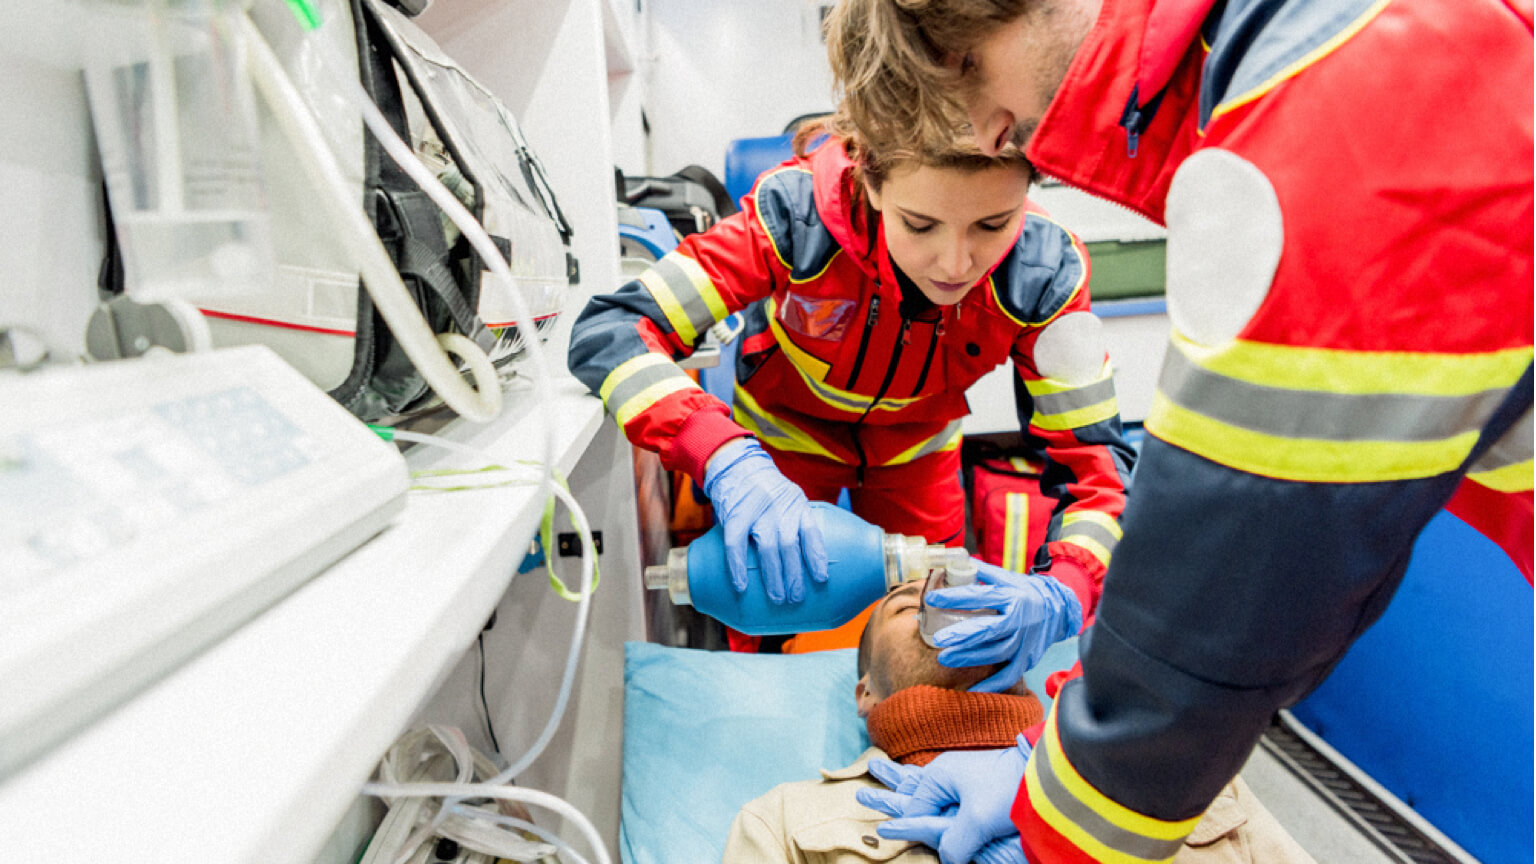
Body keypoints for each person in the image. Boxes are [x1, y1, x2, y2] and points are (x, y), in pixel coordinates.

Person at [822, 0, 1534, 860]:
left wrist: (1070, 598)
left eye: (960, 62)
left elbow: (1224, 568)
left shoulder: (1324, 96)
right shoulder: (1297, 61)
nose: (980, 129)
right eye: (921, 225)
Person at [568, 110, 1135, 653]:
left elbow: (1098, 476)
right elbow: (612, 329)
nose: (956, 263)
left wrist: (1068, 587)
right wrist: (719, 455)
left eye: (993, 225)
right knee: (766, 610)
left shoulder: (1045, 274)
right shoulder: (795, 217)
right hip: (775, 452)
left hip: (917, 456)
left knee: (932, 634)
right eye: (920, 224)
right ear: (872, 182)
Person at [723, 580, 1318, 863]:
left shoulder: (1170, 766)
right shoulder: (785, 819)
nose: (945, 603)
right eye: (910, 605)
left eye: (970, 598)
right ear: (865, 691)